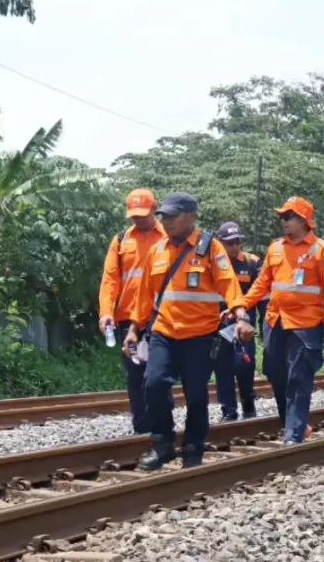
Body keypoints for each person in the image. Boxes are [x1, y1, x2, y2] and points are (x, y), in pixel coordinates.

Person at [122, 192, 254, 470]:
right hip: (164, 332)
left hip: (200, 335)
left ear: (190, 216)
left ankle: (193, 448)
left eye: (173, 216)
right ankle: (162, 445)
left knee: (196, 395)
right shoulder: (157, 250)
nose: (166, 221)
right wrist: (133, 329)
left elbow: (229, 285)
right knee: (154, 384)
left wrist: (241, 317)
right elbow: (145, 296)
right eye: (164, 216)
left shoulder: (211, 248)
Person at [240, 196, 324, 444]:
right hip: (275, 320)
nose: (283, 222)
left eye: (288, 217)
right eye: (282, 217)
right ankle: (295, 424)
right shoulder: (275, 247)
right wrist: (241, 305)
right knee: (274, 373)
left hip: (306, 324)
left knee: (299, 377)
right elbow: (261, 283)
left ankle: (293, 434)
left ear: (303, 220)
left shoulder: (321, 250)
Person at [97, 189, 166, 434]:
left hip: (161, 317)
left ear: (154, 209)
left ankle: (161, 424)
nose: (138, 220)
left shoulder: (168, 237)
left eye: (143, 215)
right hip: (128, 320)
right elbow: (110, 280)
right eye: (134, 215)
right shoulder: (120, 240)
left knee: (157, 375)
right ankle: (142, 429)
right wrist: (106, 312)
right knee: (136, 373)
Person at [213, 221, 262, 421]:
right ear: (220, 243)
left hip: (243, 327)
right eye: (229, 243)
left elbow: (261, 296)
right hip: (217, 327)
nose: (234, 246)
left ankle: (248, 406)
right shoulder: (212, 263)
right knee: (222, 369)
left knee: (244, 366)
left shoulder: (252, 263)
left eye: (237, 242)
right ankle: (229, 412)